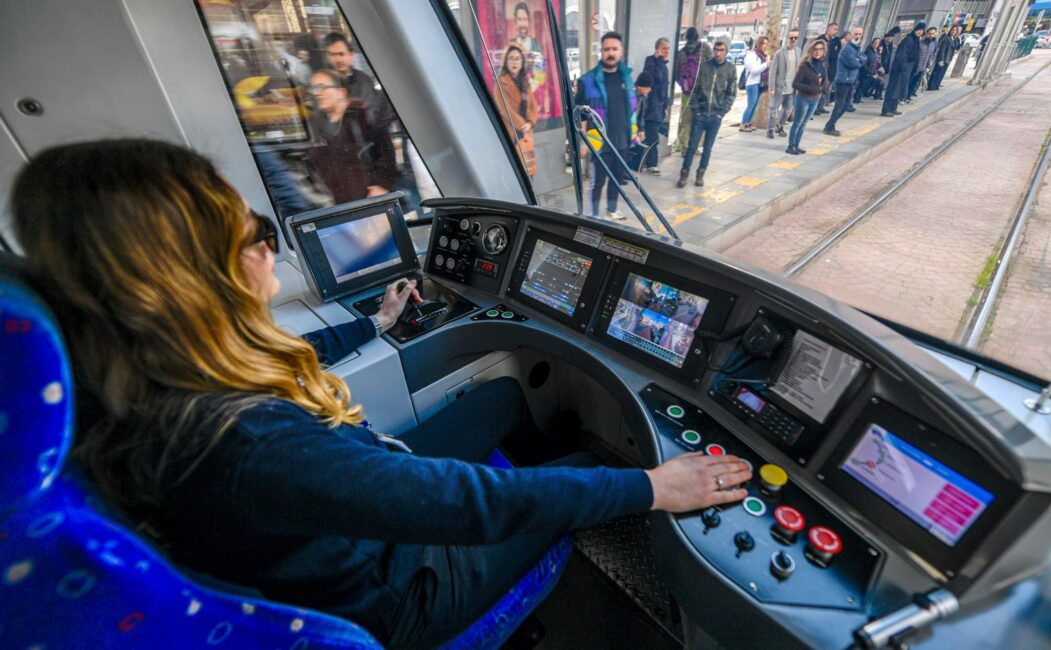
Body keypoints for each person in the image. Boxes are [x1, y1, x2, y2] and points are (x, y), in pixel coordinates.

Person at [10, 138, 753, 650]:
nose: (269, 246)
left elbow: (267, 356)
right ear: (186, 278)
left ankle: (556, 474)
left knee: (498, 399)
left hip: (327, 524)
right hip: (398, 591)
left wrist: (373, 322)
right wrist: (651, 485)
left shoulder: (128, 374)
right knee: (588, 477)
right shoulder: (248, 446)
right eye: (253, 232)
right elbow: (468, 505)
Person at [306, 69, 397, 204]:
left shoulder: (363, 117)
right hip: (336, 207)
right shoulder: (315, 126)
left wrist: (381, 186)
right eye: (313, 89)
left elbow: (386, 152)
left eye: (322, 87)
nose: (317, 93)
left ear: (341, 92)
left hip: (369, 202)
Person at [575, 31, 637, 220]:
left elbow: (632, 109)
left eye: (614, 49)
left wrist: (635, 132)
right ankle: (593, 215)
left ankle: (611, 209)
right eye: (606, 49)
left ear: (621, 51)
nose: (610, 53)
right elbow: (579, 114)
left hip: (623, 141)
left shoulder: (627, 78)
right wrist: (583, 142)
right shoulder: (587, 80)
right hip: (600, 144)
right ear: (601, 51)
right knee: (598, 182)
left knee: (617, 180)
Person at [677, 36, 737, 188]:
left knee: (708, 147)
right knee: (692, 146)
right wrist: (696, 110)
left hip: (715, 115)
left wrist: (722, 112)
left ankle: (700, 173)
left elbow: (731, 93)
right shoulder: (704, 66)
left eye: (721, 50)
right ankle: (684, 173)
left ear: (726, 51)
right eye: (716, 49)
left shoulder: (730, 69)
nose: (718, 53)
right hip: (701, 114)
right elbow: (695, 90)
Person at [323, 32, 396, 128]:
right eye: (332, 55)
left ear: (351, 55)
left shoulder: (364, 80)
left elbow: (371, 117)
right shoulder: (321, 82)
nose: (338, 60)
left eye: (341, 54)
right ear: (327, 57)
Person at [494, 45, 539, 178]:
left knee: (529, 172)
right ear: (506, 61)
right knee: (513, 173)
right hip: (511, 132)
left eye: (517, 59)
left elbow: (533, 106)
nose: (514, 62)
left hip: (525, 134)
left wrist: (530, 123)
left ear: (522, 62)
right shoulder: (501, 82)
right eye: (511, 58)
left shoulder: (525, 83)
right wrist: (522, 125)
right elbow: (504, 109)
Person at [674, 27, 713, 153]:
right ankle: (694, 147)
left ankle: (684, 146)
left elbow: (676, 72)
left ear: (686, 37)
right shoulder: (705, 48)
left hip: (687, 92)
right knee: (699, 118)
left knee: (686, 118)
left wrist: (684, 85)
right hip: (702, 91)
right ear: (697, 36)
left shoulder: (681, 52)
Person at [787, 39, 828, 156]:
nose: (818, 52)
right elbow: (795, 84)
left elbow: (824, 79)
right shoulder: (805, 66)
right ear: (811, 51)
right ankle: (791, 146)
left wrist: (823, 89)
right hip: (803, 98)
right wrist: (812, 89)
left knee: (804, 123)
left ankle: (797, 145)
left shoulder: (823, 64)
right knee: (798, 122)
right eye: (815, 49)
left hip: (816, 98)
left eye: (820, 49)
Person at [824, 29, 864, 136]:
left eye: (860, 34)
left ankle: (831, 124)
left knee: (846, 106)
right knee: (840, 105)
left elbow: (864, 59)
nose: (858, 36)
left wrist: (859, 60)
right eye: (856, 34)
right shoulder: (847, 49)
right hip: (843, 81)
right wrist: (859, 61)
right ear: (851, 36)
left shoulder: (857, 48)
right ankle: (829, 126)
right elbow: (853, 64)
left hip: (850, 80)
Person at [641, 38, 672, 174]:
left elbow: (664, 89)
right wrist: (659, 60)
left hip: (659, 108)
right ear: (657, 49)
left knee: (652, 137)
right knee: (653, 138)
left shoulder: (664, 65)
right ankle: (650, 164)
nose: (666, 52)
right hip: (650, 107)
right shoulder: (650, 62)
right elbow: (656, 78)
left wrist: (665, 107)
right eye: (664, 48)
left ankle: (644, 163)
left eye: (668, 49)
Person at [882, 22, 923, 117]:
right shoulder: (909, 39)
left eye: (922, 30)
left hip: (907, 69)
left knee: (899, 89)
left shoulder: (915, 40)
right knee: (893, 89)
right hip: (900, 69)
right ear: (915, 29)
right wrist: (904, 66)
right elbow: (901, 54)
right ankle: (886, 109)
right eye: (919, 30)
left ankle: (893, 108)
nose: (920, 32)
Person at [767, 30, 802, 139]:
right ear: (787, 38)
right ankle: (770, 129)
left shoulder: (798, 51)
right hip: (779, 88)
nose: (793, 40)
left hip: (791, 88)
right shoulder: (780, 53)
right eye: (791, 37)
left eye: (795, 38)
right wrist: (772, 87)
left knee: (787, 110)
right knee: (774, 109)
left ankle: (780, 126)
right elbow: (773, 71)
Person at [739, 36, 770, 132]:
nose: (765, 46)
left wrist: (767, 59)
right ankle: (743, 124)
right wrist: (766, 64)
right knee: (751, 104)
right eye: (763, 43)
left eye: (766, 44)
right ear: (758, 44)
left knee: (755, 104)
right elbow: (754, 70)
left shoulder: (763, 55)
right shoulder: (752, 55)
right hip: (752, 83)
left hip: (760, 83)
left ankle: (748, 123)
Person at [630, 71, 655, 172]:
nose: (650, 90)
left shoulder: (642, 97)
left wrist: (641, 129)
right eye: (648, 87)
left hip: (633, 127)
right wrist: (634, 135)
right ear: (640, 87)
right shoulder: (630, 96)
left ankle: (627, 171)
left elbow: (641, 115)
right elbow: (629, 118)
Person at [816, 23, 841, 114]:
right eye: (834, 29)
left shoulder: (836, 41)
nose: (835, 32)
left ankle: (821, 106)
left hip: (831, 69)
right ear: (828, 29)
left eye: (837, 30)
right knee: (819, 88)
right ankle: (815, 108)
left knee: (826, 89)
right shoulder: (820, 40)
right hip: (822, 67)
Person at [909, 26, 939, 100]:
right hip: (916, 66)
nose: (931, 35)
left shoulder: (933, 44)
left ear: (935, 34)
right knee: (909, 82)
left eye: (933, 34)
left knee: (915, 83)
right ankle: (903, 96)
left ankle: (908, 96)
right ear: (926, 34)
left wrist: (928, 67)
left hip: (923, 67)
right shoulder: (920, 43)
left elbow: (930, 56)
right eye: (929, 33)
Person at [928, 26, 960, 91]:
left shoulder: (954, 39)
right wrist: (941, 59)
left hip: (948, 59)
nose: (954, 31)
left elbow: (956, 47)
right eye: (953, 30)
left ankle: (936, 86)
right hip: (943, 58)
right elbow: (942, 49)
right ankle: (931, 86)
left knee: (941, 73)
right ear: (950, 30)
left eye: (955, 30)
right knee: (936, 72)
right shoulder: (946, 38)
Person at [854, 37, 881, 104]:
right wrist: (866, 69)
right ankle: (856, 98)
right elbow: (864, 61)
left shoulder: (876, 52)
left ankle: (859, 97)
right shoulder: (868, 51)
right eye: (875, 42)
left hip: (872, 71)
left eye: (878, 43)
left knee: (864, 86)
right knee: (861, 85)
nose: (876, 44)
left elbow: (876, 61)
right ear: (872, 43)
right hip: (866, 72)